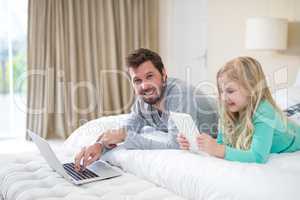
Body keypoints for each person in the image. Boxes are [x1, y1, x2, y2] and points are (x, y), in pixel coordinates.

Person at [74, 48, 218, 171]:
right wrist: (100, 145)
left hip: (229, 125)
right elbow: (126, 129)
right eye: (137, 80)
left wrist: (127, 137)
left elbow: (176, 145)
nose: (144, 86)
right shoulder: (143, 101)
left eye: (150, 76)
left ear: (163, 74)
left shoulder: (180, 94)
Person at [177, 56, 300, 164]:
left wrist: (218, 149)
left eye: (230, 91)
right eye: (221, 91)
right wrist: (198, 144)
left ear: (251, 88)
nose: (224, 98)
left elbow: (258, 157)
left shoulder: (264, 111)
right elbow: (221, 143)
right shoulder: (228, 109)